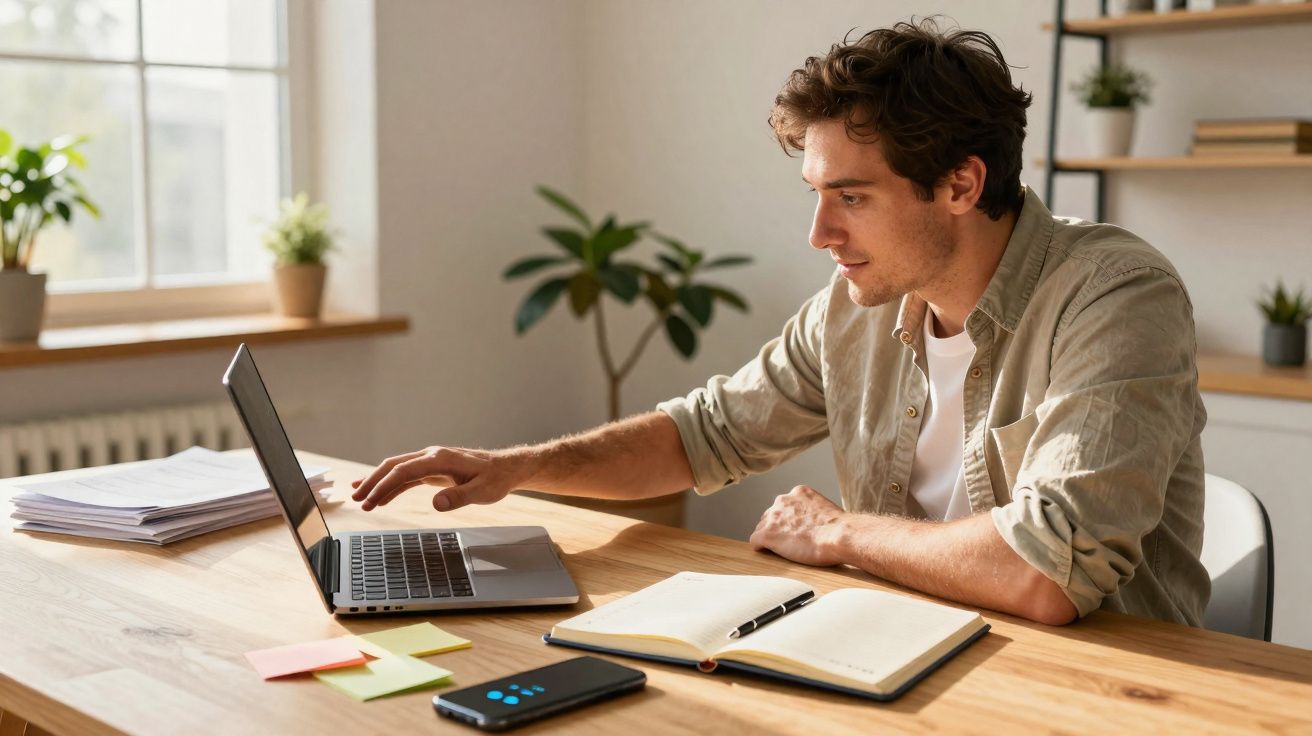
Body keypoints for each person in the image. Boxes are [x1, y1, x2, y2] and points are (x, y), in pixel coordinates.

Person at [352, 19, 1210, 627]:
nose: (819, 233)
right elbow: (704, 435)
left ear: (960, 184)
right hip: (901, 649)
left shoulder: (1114, 294)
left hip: (1099, 690)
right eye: (816, 195)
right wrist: (520, 466)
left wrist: (837, 532)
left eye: (851, 197)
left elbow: (1045, 571)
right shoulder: (857, 306)